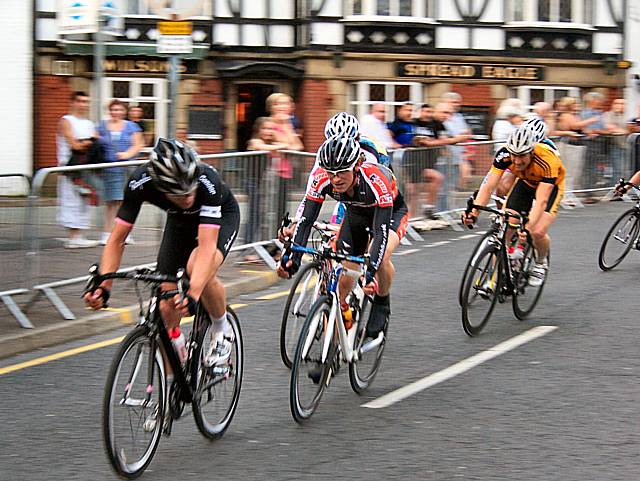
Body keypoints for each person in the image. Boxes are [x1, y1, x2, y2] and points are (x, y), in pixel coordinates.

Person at [84, 138, 240, 365]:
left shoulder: (208, 182)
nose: (187, 198)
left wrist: (193, 294)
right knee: (166, 303)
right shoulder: (140, 183)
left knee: (198, 268)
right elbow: (117, 239)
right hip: (178, 223)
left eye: (190, 191)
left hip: (221, 218)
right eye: (179, 194)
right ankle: (172, 386)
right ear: (160, 187)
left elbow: (207, 247)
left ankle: (222, 329)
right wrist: (104, 285)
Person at [277, 134, 409, 340]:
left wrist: (370, 270)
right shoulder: (322, 178)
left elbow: (381, 232)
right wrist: (293, 259)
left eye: (341, 173)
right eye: (331, 173)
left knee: (380, 258)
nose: (335, 179)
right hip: (356, 215)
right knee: (343, 282)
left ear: (356, 167)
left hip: (389, 215)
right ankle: (332, 352)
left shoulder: (376, 180)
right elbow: (306, 221)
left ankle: (382, 302)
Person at [463, 123, 566, 286]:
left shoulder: (547, 160)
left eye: (522, 156)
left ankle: (540, 262)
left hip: (550, 188)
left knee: (537, 231)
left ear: (532, 152)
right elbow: (489, 186)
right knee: (507, 226)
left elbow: (541, 201)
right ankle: (495, 277)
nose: (517, 161)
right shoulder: (503, 155)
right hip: (525, 183)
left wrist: (528, 226)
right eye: (514, 155)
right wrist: (474, 212)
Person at [97, 99, 144, 245]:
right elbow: (95, 142)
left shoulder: (132, 126)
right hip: (108, 169)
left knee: (123, 202)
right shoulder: (102, 126)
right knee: (110, 202)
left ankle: (122, 233)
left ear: (124, 112)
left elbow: (138, 145)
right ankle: (106, 232)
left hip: (125, 168)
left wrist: (126, 155)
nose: (116, 113)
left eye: (119, 110)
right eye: (113, 110)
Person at [57, 91, 99, 249]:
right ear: (73, 102)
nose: (83, 105)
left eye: (86, 101)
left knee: (84, 199)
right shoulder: (66, 121)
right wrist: (87, 142)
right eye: (80, 101)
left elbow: (95, 142)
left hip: (85, 165)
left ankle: (79, 235)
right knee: (71, 200)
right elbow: (74, 145)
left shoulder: (89, 123)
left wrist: (85, 143)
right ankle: (73, 236)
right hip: (70, 166)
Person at [266, 93, 303, 228]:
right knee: (269, 209)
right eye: (279, 103)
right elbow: (286, 143)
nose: (282, 107)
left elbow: (298, 146)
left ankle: (276, 238)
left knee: (281, 210)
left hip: (285, 172)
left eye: (285, 103)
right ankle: (269, 242)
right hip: (272, 171)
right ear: (272, 106)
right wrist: (287, 139)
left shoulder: (287, 124)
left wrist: (286, 125)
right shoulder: (269, 123)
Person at [442, 92, 473, 189]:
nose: (456, 105)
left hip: (459, 152)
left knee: (462, 177)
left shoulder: (459, 117)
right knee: (446, 181)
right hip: (446, 153)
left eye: (457, 102)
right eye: (453, 102)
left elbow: (467, 131)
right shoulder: (441, 116)